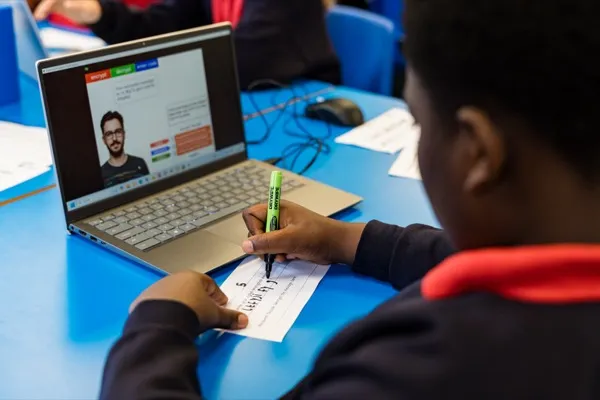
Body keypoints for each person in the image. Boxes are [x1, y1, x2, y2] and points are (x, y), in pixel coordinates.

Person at [100, 0, 600, 398]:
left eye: (419, 124)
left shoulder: (414, 372)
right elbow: (485, 258)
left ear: (477, 153)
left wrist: (156, 327)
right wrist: (345, 239)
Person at [32, 0, 340, 89]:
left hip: (298, 104)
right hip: (243, 97)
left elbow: (242, 61)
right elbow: (165, 24)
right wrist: (98, 14)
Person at [100, 111, 149, 188]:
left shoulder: (140, 163)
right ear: (104, 140)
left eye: (118, 132)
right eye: (109, 134)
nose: (114, 138)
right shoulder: (101, 174)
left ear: (124, 134)